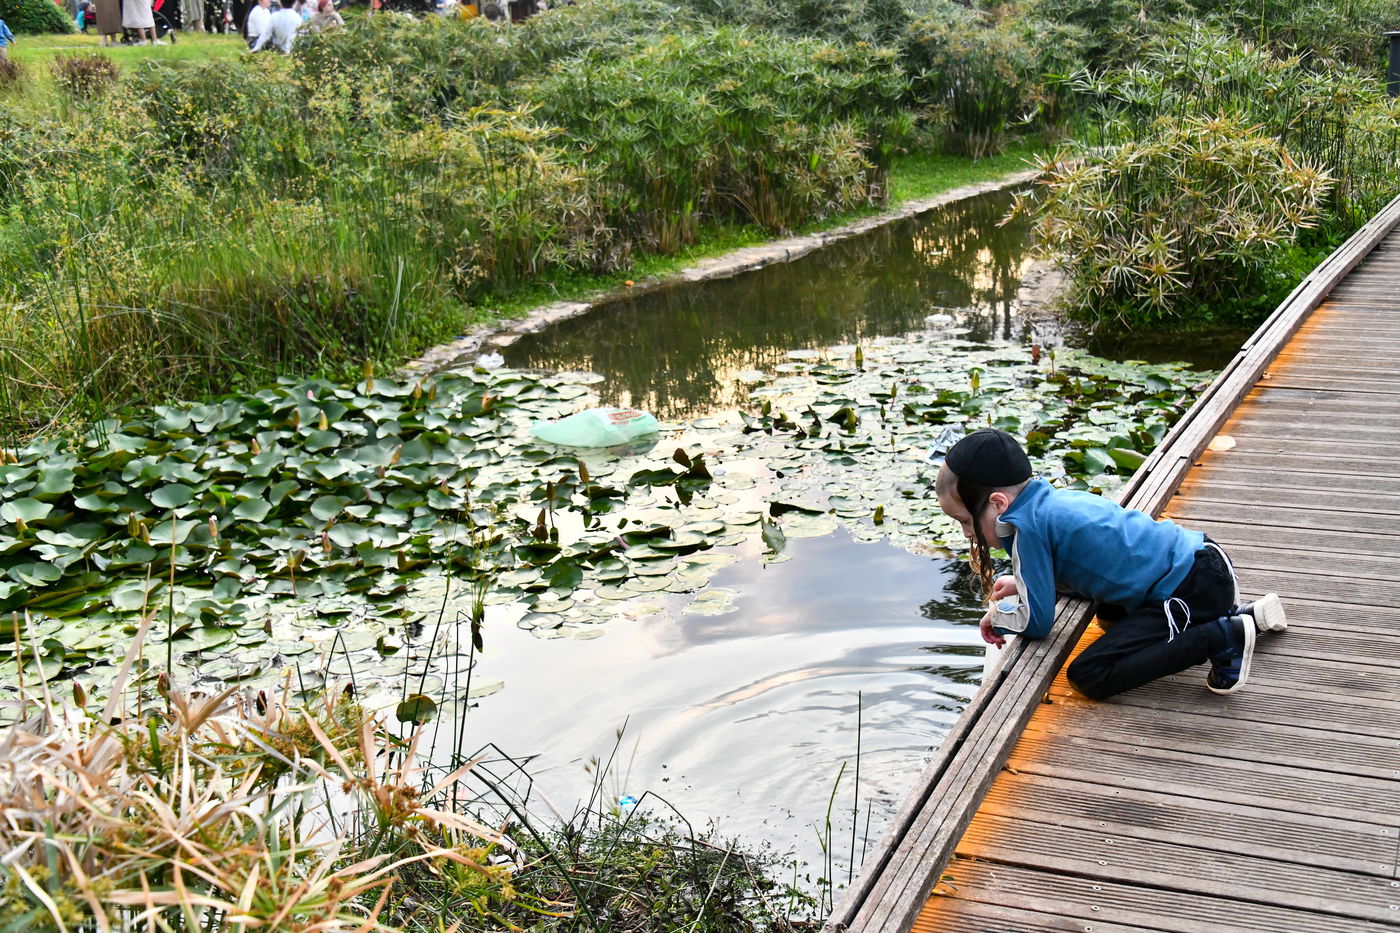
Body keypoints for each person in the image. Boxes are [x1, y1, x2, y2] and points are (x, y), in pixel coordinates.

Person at [933, 428, 1287, 700]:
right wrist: (1026, 583)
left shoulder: (1027, 528)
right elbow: (1079, 562)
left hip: (1189, 589)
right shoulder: (1045, 501)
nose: (967, 534)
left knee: (1090, 674)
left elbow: (1037, 623)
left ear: (997, 504)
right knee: (1109, 617)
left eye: (965, 521)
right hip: (1204, 565)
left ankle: (1224, 634)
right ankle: (1244, 615)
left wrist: (998, 617)